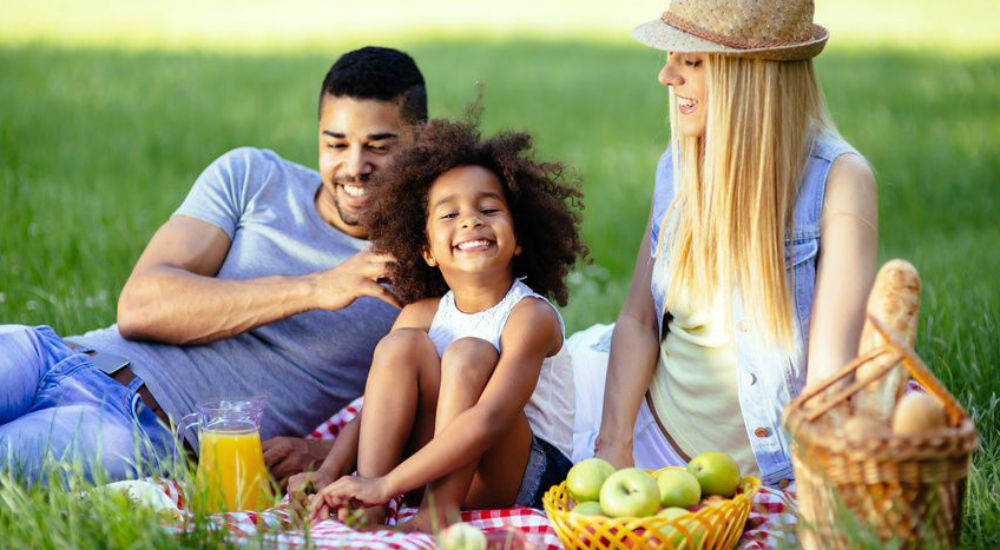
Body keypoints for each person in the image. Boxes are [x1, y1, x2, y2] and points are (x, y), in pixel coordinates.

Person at [0, 46, 427, 482]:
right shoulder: (253, 177)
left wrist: (328, 451)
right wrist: (317, 288)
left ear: (421, 142)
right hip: (55, 354)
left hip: (140, 430)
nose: (354, 167)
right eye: (335, 144)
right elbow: (140, 308)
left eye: (378, 146)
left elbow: (465, 408)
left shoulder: (428, 263)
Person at [586, 0, 878, 488]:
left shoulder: (839, 181)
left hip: (766, 473)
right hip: (648, 438)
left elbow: (830, 383)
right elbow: (638, 320)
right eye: (673, 57)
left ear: (750, 76)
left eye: (692, 61)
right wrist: (613, 445)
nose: (666, 76)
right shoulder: (679, 164)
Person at [305, 120, 587, 531]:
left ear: (520, 238)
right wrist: (333, 472)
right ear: (427, 250)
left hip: (525, 479)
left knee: (468, 353)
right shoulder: (421, 314)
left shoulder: (530, 317)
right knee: (399, 348)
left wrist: (389, 484)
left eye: (488, 210)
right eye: (450, 214)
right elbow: (373, 411)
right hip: (429, 471)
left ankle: (436, 515)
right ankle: (365, 507)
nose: (471, 221)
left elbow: (488, 419)